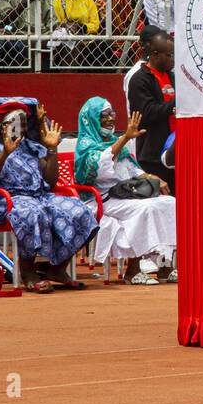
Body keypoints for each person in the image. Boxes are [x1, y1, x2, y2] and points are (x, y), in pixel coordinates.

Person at [0, 100, 97, 293]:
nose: (23, 128)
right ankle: (28, 273)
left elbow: (50, 181)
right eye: (17, 123)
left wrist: (52, 149)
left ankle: (57, 269)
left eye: (25, 124)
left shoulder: (30, 145)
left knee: (82, 212)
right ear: (1, 124)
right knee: (33, 213)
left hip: (40, 196)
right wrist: (4, 153)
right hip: (6, 199)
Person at [74, 97, 176, 285]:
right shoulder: (86, 145)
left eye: (112, 114)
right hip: (102, 199)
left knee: (169, 202)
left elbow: (134, 170)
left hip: (126, 195)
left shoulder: (116, 142)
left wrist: (152, 178)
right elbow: (98, 169)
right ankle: (133, 270)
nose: (111, 118)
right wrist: (125, 138)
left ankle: (165, 266)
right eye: (105, 115)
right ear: (93, 118)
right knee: (144, 209)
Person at [127, 31, 176, 193]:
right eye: (169, 55)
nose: (172, 59)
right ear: (154, 54)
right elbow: (145, 113)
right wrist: (175, 104)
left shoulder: (172, 76)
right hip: (153, 155)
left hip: (174, 152)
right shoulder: (140, 79)